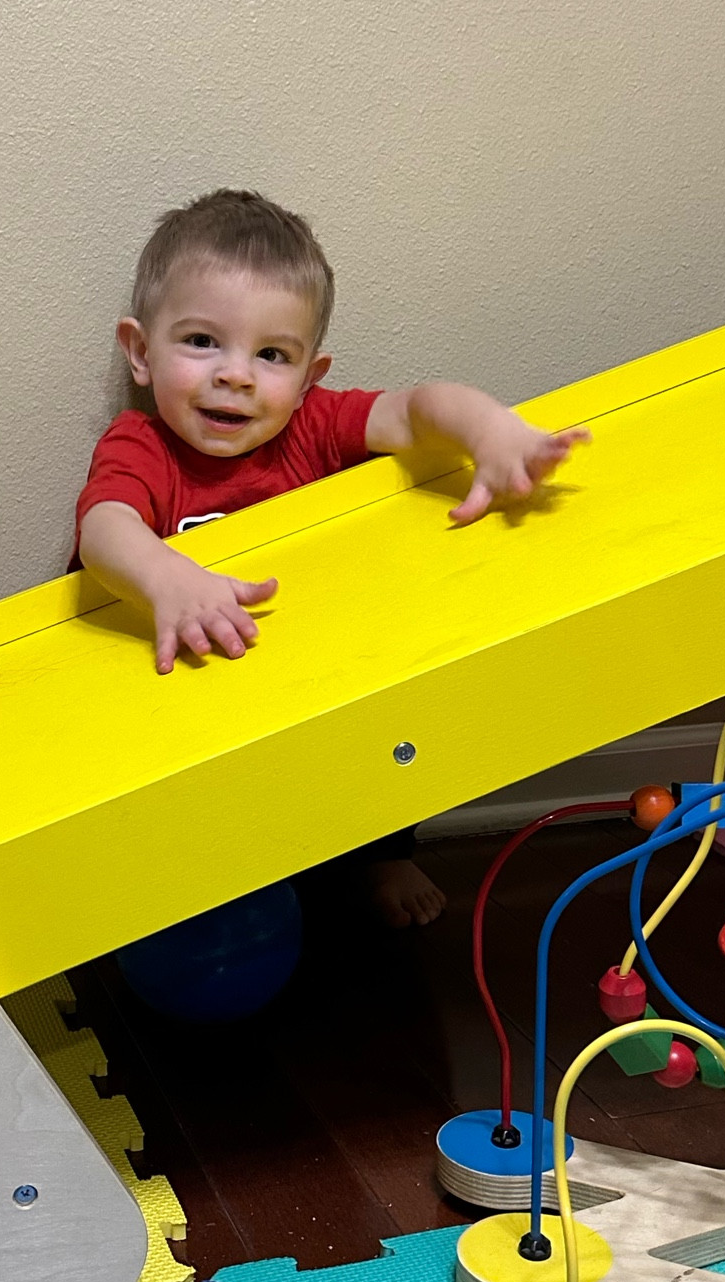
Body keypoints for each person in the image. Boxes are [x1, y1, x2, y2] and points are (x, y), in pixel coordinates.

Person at [75, 190, 586, 928]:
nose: (236, 375)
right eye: (201, 342)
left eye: (271, 355)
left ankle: (381, 851)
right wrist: (165, 577)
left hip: (315, 668)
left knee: (386, 718)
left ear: (311, 376)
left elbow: (413, 409)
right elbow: (105, 525)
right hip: (190, 685)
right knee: (198, 832)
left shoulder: (312, 428)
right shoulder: (141, 445)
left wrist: (490, 429)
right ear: (139, 352)